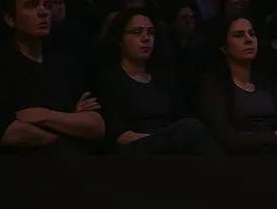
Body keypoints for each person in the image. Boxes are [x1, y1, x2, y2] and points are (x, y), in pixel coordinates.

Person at [0, 0, 105, 154]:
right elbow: (7, 133)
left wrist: (43, 115)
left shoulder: (65, 63)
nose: (43, 12)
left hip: (74, 167)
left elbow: (96, 126)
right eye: (32, 6)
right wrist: (71, 124)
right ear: (10, 19)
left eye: (47, 5)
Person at [94, 8, 219, 155]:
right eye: (137, 32)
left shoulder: (164, 79)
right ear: (120, 39)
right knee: (190, 129)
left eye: (151, 32)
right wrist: (168, 138)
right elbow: (119, 136)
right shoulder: (109, 80)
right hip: (133, 152)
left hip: (170, 150)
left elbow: (183, 116)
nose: (146, 38)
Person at [198, 15, 277, 154]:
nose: (249, 40)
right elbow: (227, 138)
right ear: (224, 47)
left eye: (252, 34)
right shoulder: (214, 86)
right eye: (239, 35)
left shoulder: (267, 85)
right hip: (241, 154)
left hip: (276, 151)